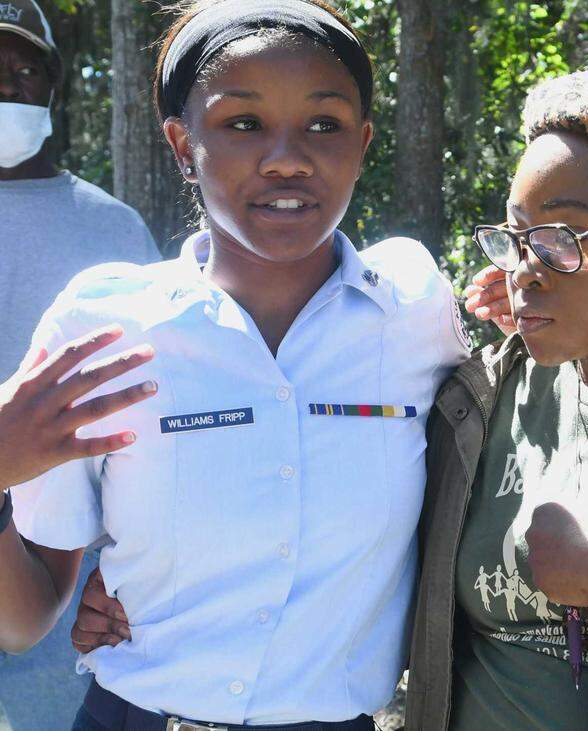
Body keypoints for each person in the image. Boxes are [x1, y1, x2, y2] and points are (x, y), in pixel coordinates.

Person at [75, 68, 588, 729]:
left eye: (560, 238)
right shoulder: (484, 398)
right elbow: (338, 524)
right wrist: (155, 590)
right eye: (514, 236)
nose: (524, 267)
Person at [0, 1, 468, 729]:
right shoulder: (102, 326)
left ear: (364, 142)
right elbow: (25, 618)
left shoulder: (413, 308)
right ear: (183, 146)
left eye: (325, 123)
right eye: (243, 123)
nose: (287, 156)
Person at [0, 3, 160, 727]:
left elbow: (163, 416)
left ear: (53, 88)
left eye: (22, 68)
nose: (5, 86)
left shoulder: (112, 228)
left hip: (72, 613)